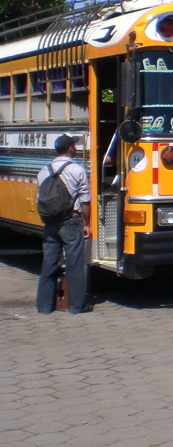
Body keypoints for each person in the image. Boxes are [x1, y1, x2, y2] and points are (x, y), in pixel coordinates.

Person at [36, 134, 92, 314]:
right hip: (71, 220)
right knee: (75, 264)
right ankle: (77, 306)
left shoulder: (43, 171)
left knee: (49, 263)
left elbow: (40, 199)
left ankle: (44, 307)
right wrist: (87, 223)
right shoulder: (78, 170)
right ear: (70, 149)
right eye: (74, 146)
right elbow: (85, 201)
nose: (75, 149)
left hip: (50, 222)